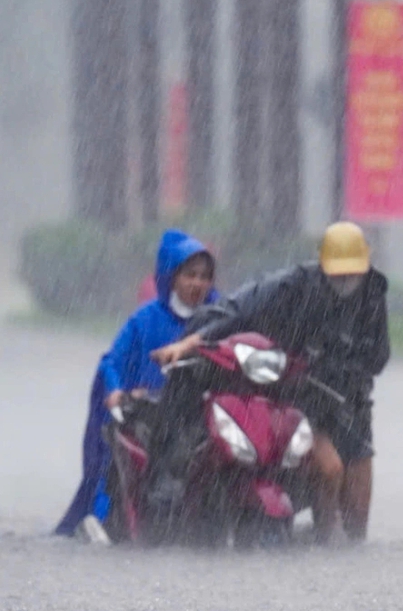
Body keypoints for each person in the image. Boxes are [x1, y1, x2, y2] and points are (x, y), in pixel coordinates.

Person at [155, 222, 390, 543]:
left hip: (352, 405)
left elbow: (379, 356)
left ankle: (346, 556)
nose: (346, 280)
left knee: (358, 511)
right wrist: (191, 342)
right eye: (338, 274)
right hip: (305, 401)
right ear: (322, 265)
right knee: (330, 470)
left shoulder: (374, 294)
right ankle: (324, 544)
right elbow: (234, 311)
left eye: (353, 273)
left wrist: (346, 367)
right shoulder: (292, 286)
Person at [55, 230, 219, 542]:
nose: (198, 284)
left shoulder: (221, 317)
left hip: (205, 413)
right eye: (190, 275)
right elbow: (112, 363)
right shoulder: (145, 320)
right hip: (151, 415)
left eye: (205, 277)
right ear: (171, 277)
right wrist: (116, 391)